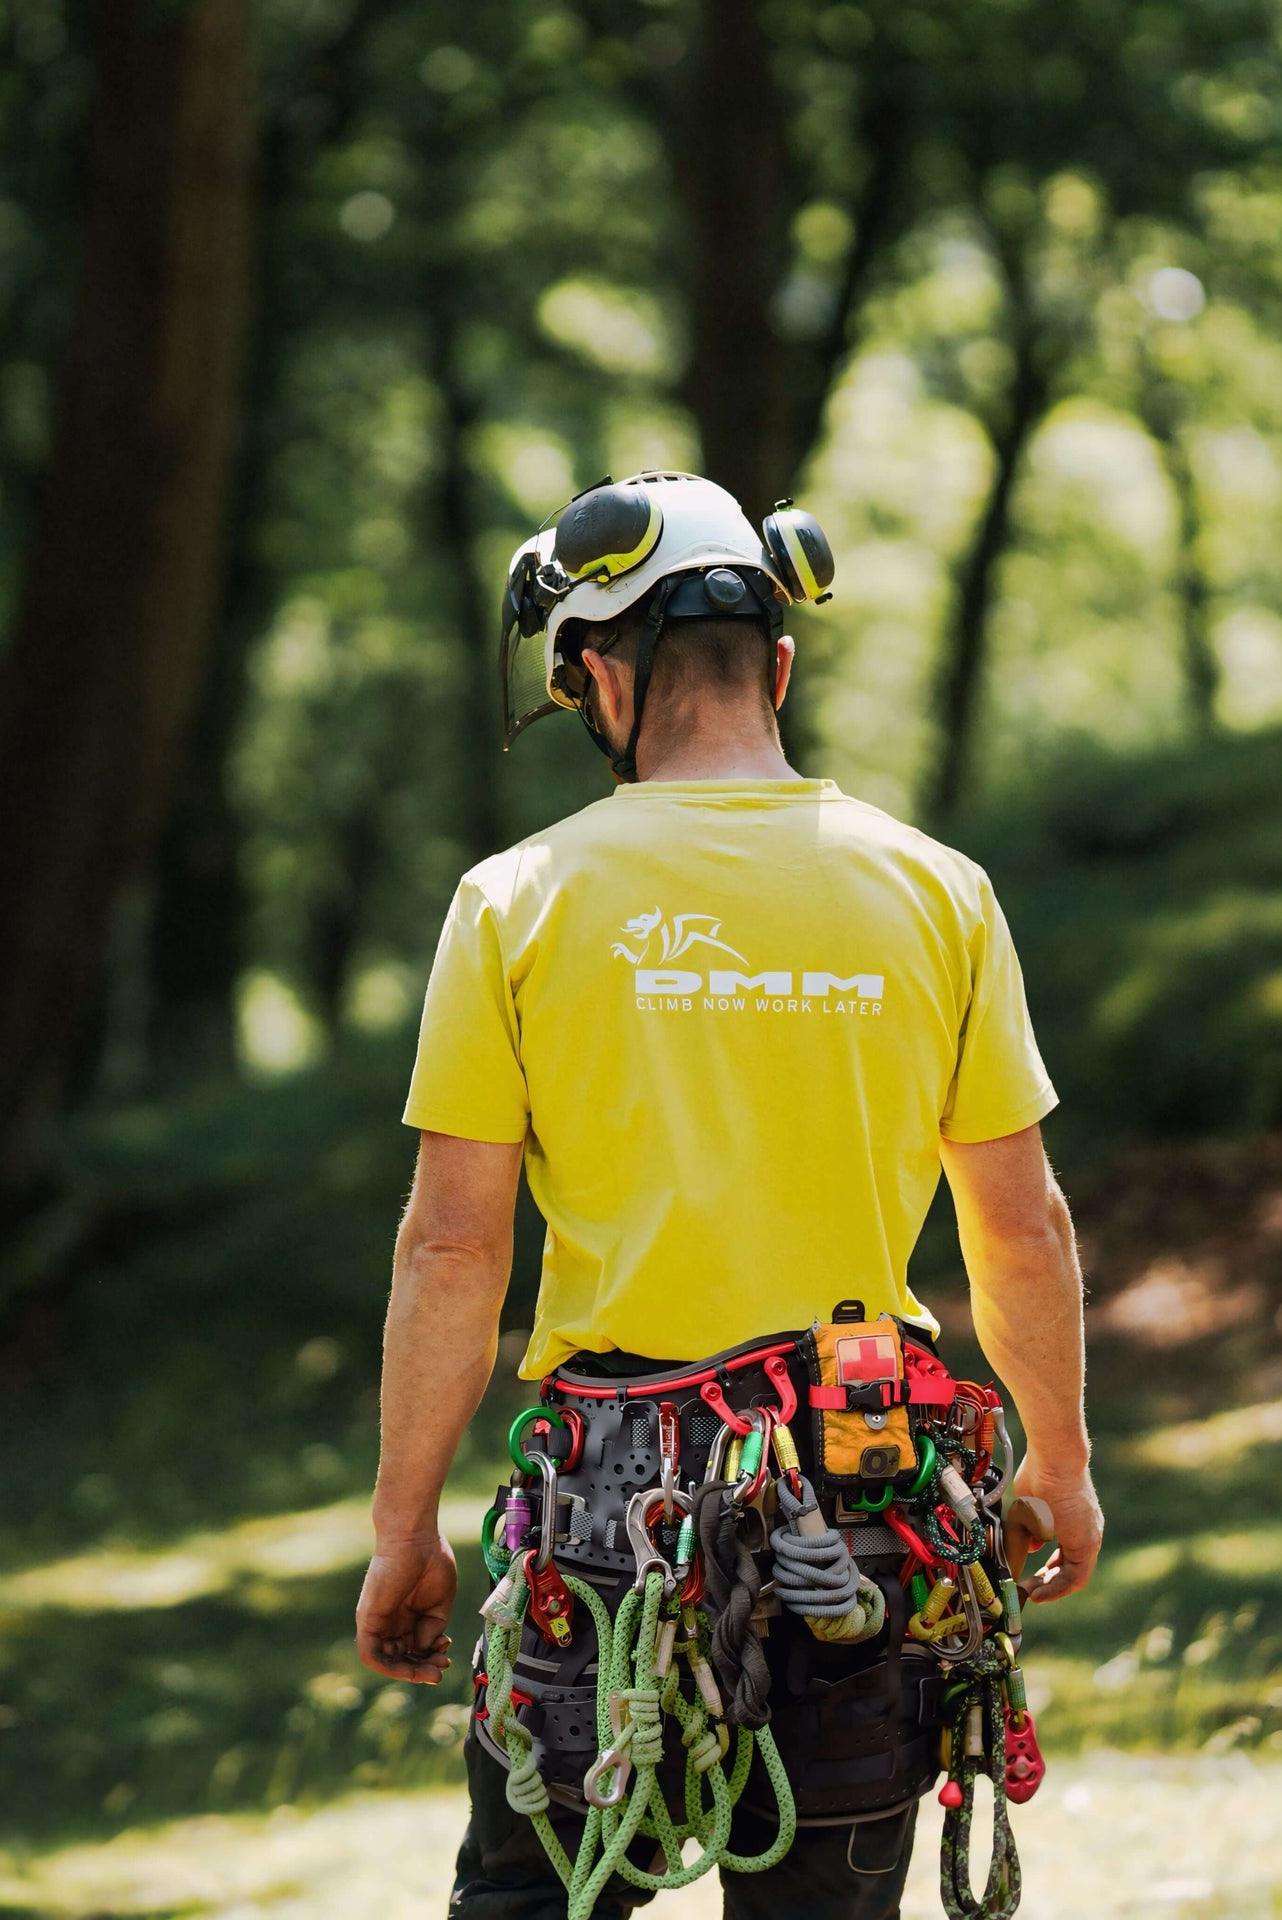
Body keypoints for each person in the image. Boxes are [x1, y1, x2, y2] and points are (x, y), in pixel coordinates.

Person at [356, 471, 1103, 1920]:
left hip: (605, 1533)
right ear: (777, 660)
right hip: (864, 1508)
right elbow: (1022, 1223)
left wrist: (405, 1527)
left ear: (593, 677)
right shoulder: (939, 890)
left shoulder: (515, 901)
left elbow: (454, 1247)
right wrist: (1057, 1458)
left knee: (531, 1900)